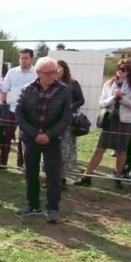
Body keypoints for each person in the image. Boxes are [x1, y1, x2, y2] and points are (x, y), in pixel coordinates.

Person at [15, 57, 72, 223]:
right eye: (47, 73)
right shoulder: (27, 89)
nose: (51, 75)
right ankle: (32, 204)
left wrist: (49, 135)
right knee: (31, 172)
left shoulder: (64, 91)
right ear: (38, 73)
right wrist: (35, 134)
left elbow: (66, 117)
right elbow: (20, 114)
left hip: (52, 140)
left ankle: (52, 208)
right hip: (30, 139)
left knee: (53, 174)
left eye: (54, 72)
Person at [74, 59, 131, 189]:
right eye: (118, 68)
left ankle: (117, 176)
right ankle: (87, 176)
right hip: (110, 120)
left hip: (125, 122)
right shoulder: (109, 84)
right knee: (100, 149)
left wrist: (122, 99)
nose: (120, 71)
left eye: (123, 69)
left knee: (122, 151)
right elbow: (102, 103)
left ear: (129, 72)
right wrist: (113, 98)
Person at [0, 48, 36, 171]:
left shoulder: (36, 73)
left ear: (31, 59)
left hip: (29, 112)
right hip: (12, 110)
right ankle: (3, 164)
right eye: (21, 58)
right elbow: (5, 89)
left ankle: (21, 165)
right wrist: (3, 104)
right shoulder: (12, 72)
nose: (23, 60)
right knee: (6, 137)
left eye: (26, 58)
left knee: (24, 138)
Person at [53, 60, 85, 190]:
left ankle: (62, 179)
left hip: (67, 121)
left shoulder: (73, 83)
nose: (57, 71)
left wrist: (69, 107)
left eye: (60, 69)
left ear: (65, 70)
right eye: (55, 69)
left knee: (65, 150)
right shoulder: (50, 83)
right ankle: (52, 178)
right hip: (52, 121)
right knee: (52, 149)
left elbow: (81, 100)